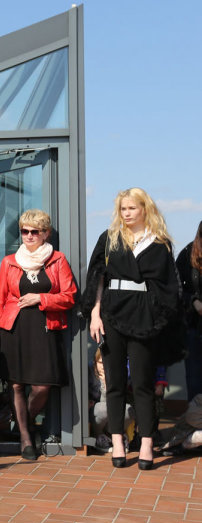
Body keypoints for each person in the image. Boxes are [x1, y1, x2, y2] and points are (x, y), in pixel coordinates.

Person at [85, 188, 179, 470]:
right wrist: (95, 314)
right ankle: (117, 443)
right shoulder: (109, 238)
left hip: (144, 316)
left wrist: (158, 319)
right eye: (123, 209)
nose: (126, 214)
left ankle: (147, 442)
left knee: (142, 383)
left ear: (144, 209)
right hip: (112, 312)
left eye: (132, 208)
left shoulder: (160, 242)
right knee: (113, 383)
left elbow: (167, 288)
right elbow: (97, 278)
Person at [0, 209, 75, 460]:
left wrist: (41, 298)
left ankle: (23, 423)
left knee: (41, 386)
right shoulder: (9, 261)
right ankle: (26, 438)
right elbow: (1, 299)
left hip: (44, 326)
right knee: (16, 384)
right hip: (13, 328)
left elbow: (69, 296)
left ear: (45, 233)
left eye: (34, 231)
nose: (28, 236)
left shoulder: (57, 259)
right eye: (24, 231)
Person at [175, 220, 202, 402]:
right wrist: (194, 301)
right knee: (195, 378)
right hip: (194, 327)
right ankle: (197, 423)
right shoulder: (187, 253)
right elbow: (175, 289)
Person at [88, 348, 134, 452]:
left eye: (106, 363)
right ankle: (99, 437)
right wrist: (104, 385)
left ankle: (115, 436)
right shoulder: (90, 371)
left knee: (128, 410)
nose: (104, 366)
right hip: (97, 412)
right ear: (95, 363)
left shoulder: (118, 372)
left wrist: (110, 381)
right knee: (102, 409)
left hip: (113, 414)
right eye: (100, 363)